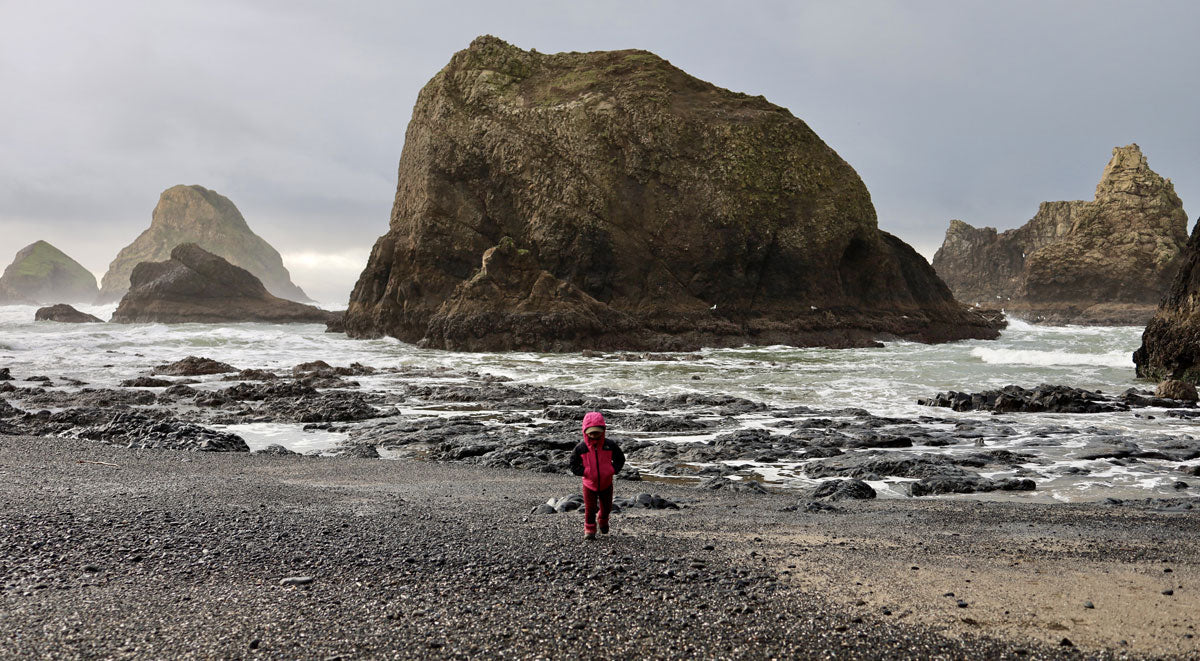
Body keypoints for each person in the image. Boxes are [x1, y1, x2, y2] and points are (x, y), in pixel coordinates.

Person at [569, 411, 625, 541]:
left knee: (607, 507)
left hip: (606, 483)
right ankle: (589, 529)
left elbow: (620, 459)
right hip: (589, 484)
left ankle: (603, 519)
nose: (594, 436)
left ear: (603, 431)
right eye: (591, 433)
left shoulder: (609, 445)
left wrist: (612, 469)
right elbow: (573, 464)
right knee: (590, 508)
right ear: (585, 431)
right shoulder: (581, 448)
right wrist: (585, 472)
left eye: (597, 432)